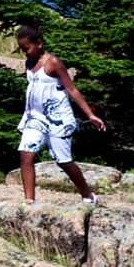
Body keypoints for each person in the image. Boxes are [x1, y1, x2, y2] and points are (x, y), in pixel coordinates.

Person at [15, 24, 107, 204]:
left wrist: (90, 115)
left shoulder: (53, 63)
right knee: (26, 155)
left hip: (57, 118)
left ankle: (88, 195)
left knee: (63, 161)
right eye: (22, 49)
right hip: (35, 117)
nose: (25, 53)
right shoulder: (29, 63)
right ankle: (29, 201)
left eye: (27, 48)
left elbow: (71, 89)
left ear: (39, 43)